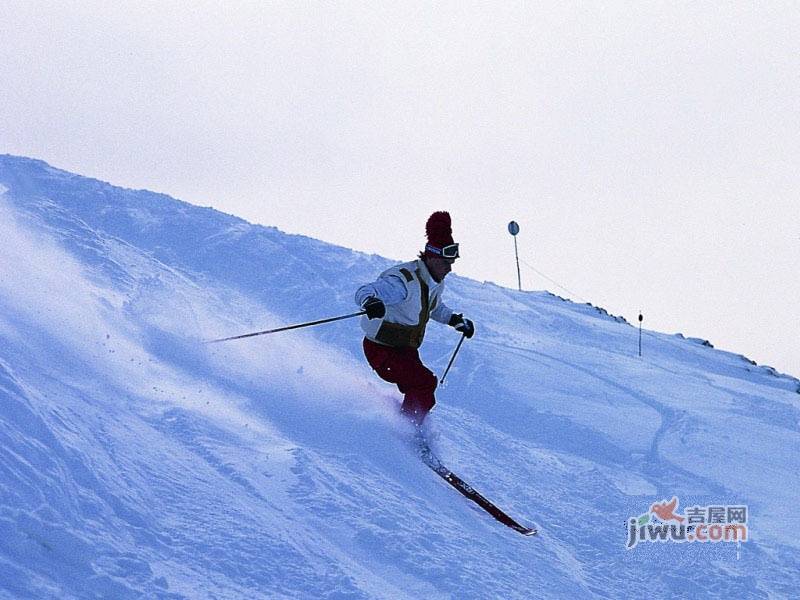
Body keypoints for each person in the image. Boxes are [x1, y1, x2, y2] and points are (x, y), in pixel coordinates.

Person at [355, 211, 475, 425]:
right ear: (431, 257)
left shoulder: (434, 281)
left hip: (405, 351)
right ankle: (407, 428)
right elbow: (366, 291)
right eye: (445, 262)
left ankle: (407, 423)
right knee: (424, 383)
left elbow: (434, 307)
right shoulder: (403, 283)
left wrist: (455, 320)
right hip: (381, 349)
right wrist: (370, 302)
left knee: (421, 385)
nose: (450, 268)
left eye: (451, 263)